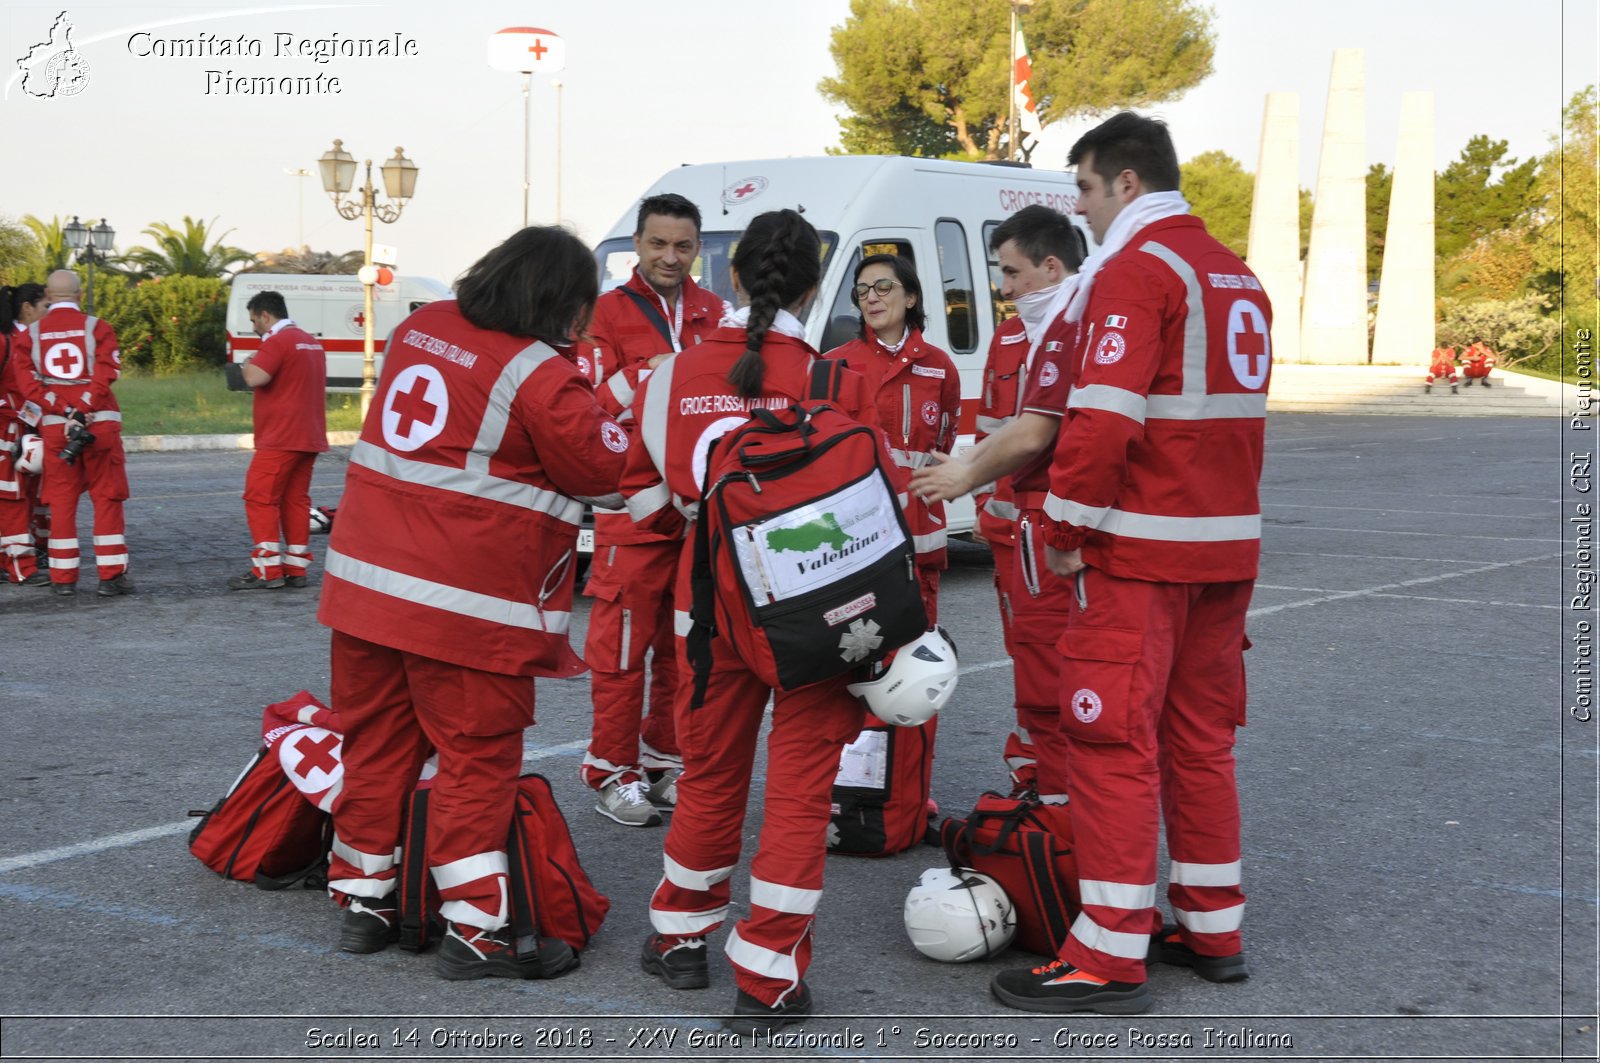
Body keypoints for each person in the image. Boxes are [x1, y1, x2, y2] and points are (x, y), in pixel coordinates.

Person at [988, 111, 1269, 1015]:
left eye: (1083, 187)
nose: (1080, 208)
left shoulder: (1138, 271)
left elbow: (1102, 419)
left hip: (1143, 551)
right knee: (1200, 741)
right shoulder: (1238, 272)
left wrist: (1065, 529)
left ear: (1127, 183)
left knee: (1109, 742)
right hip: (1224, 549)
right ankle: (1210, 922)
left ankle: (1107, 951)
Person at [316, 226, 630, 981]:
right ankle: (478, 928)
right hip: (466, 603)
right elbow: (601, 469)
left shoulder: (420, 326)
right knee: (476, 758)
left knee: (375, 745)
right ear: (562, 299)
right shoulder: (541, 371)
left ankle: (365, 903)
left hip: (364, 586)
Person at [620, 208, 874, 1034]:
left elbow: (637, 493)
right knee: (801, 791)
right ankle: (768, 975)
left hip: (708, 611)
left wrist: (692, 524)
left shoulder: (673, 371)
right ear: (811, 283)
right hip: (814, 615)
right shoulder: (836, 374)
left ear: (732, 277)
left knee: (710, 774)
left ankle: (681, 936)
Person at [910, 205, 1083, 805]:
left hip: (1061, 541)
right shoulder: (1011, 336)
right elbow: (988, 428)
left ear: (1052, 266)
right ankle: (1037, 780)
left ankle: (1062, 808)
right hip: (1015, 544)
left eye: (1011, 274)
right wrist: (990, 509)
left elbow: (1043, 435)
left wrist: (970, 483)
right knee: (1031, 671)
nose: (1004, 290)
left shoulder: (1089, 328)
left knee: (1063, 676)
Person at [577, 193, 727, 828]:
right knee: (620, 651)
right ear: (636, 245)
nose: (671, 257)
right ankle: (612, 771)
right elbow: (585, 406)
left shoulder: (716, 311)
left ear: (699, 249)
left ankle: (665, 761)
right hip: (632, 512)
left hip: (694, 511)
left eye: (683, 246)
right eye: (659, 244)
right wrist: (652, 373)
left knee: (683, 648)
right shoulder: (603, 312)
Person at [823, 254, 959, 621]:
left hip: (920, 524)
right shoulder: (835, 364)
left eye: (884, 287)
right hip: (857, 527)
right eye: (863, 290)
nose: (871, 297)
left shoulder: (940, 366)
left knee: (918, 636)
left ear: (911, 298)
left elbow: (943, 443)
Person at [14, 270, 131, 596]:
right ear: (79, 295)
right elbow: (109, 371)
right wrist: (82, 407)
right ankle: (111, 577)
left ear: (48, 297)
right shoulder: (98, 327)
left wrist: (63, 409)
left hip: (55, 431)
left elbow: (28, 385)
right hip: (100, 427)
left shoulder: (30, 335)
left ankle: (63, 579)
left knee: (62, 502)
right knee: (107, 498)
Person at [228, 290, 328, 591]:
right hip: (309, 436)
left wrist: (247, 362)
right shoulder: (311, 341)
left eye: (254, 320)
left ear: (266, 316)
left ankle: (266, 569)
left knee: (260, 498)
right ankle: (296, 569)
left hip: (281, 437)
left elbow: (254, 378)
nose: (254, 327)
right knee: (295, 502)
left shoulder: (278, 341)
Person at [1, 283, 49, 585]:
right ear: (27, 307)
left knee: (24, 499)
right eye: (46, 306)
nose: (50, 312)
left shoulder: (28, 339)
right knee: (13, 500)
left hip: (25, 432)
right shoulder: (8, 342)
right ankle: (21, 567)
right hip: (8, 433)